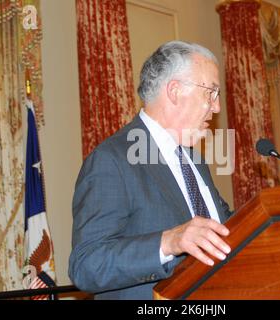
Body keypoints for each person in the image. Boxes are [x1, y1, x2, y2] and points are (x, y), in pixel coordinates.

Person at [69, 40, 233, 300]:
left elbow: (226, 227)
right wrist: (168, 242)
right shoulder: (112, 160)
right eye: (210, 93)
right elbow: (87, 265)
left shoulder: (194, 160)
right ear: (175, 91)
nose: (217, 107)